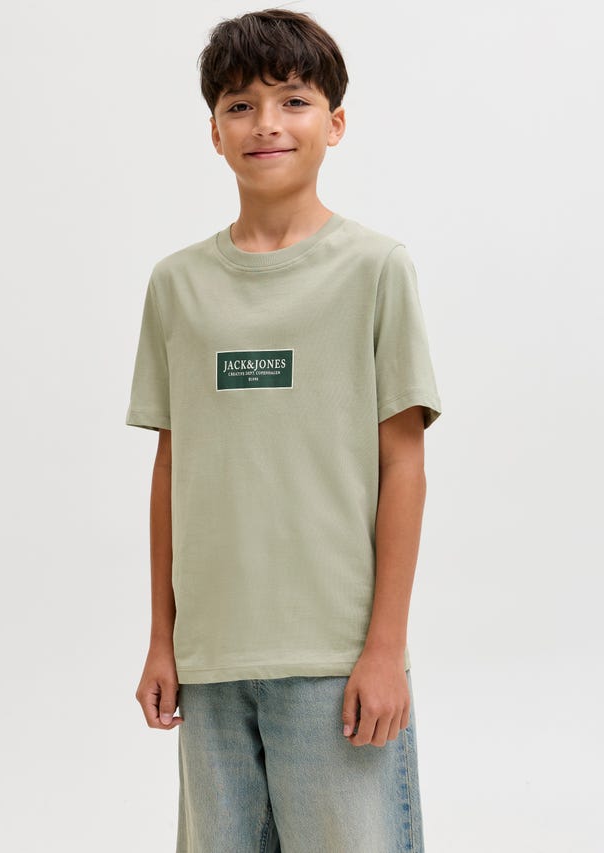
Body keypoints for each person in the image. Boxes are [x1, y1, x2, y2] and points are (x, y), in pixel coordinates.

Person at [125, 8, 442, 852]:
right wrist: (163, 639)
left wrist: (385, 649)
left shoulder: (376, 270)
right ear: (215, 132)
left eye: (293, 100)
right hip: (212, 662)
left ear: (334, 123)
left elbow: (403, 465)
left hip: (337, 662)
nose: (266, 122)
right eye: (240, 105)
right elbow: (172, 467)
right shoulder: (177, 286)